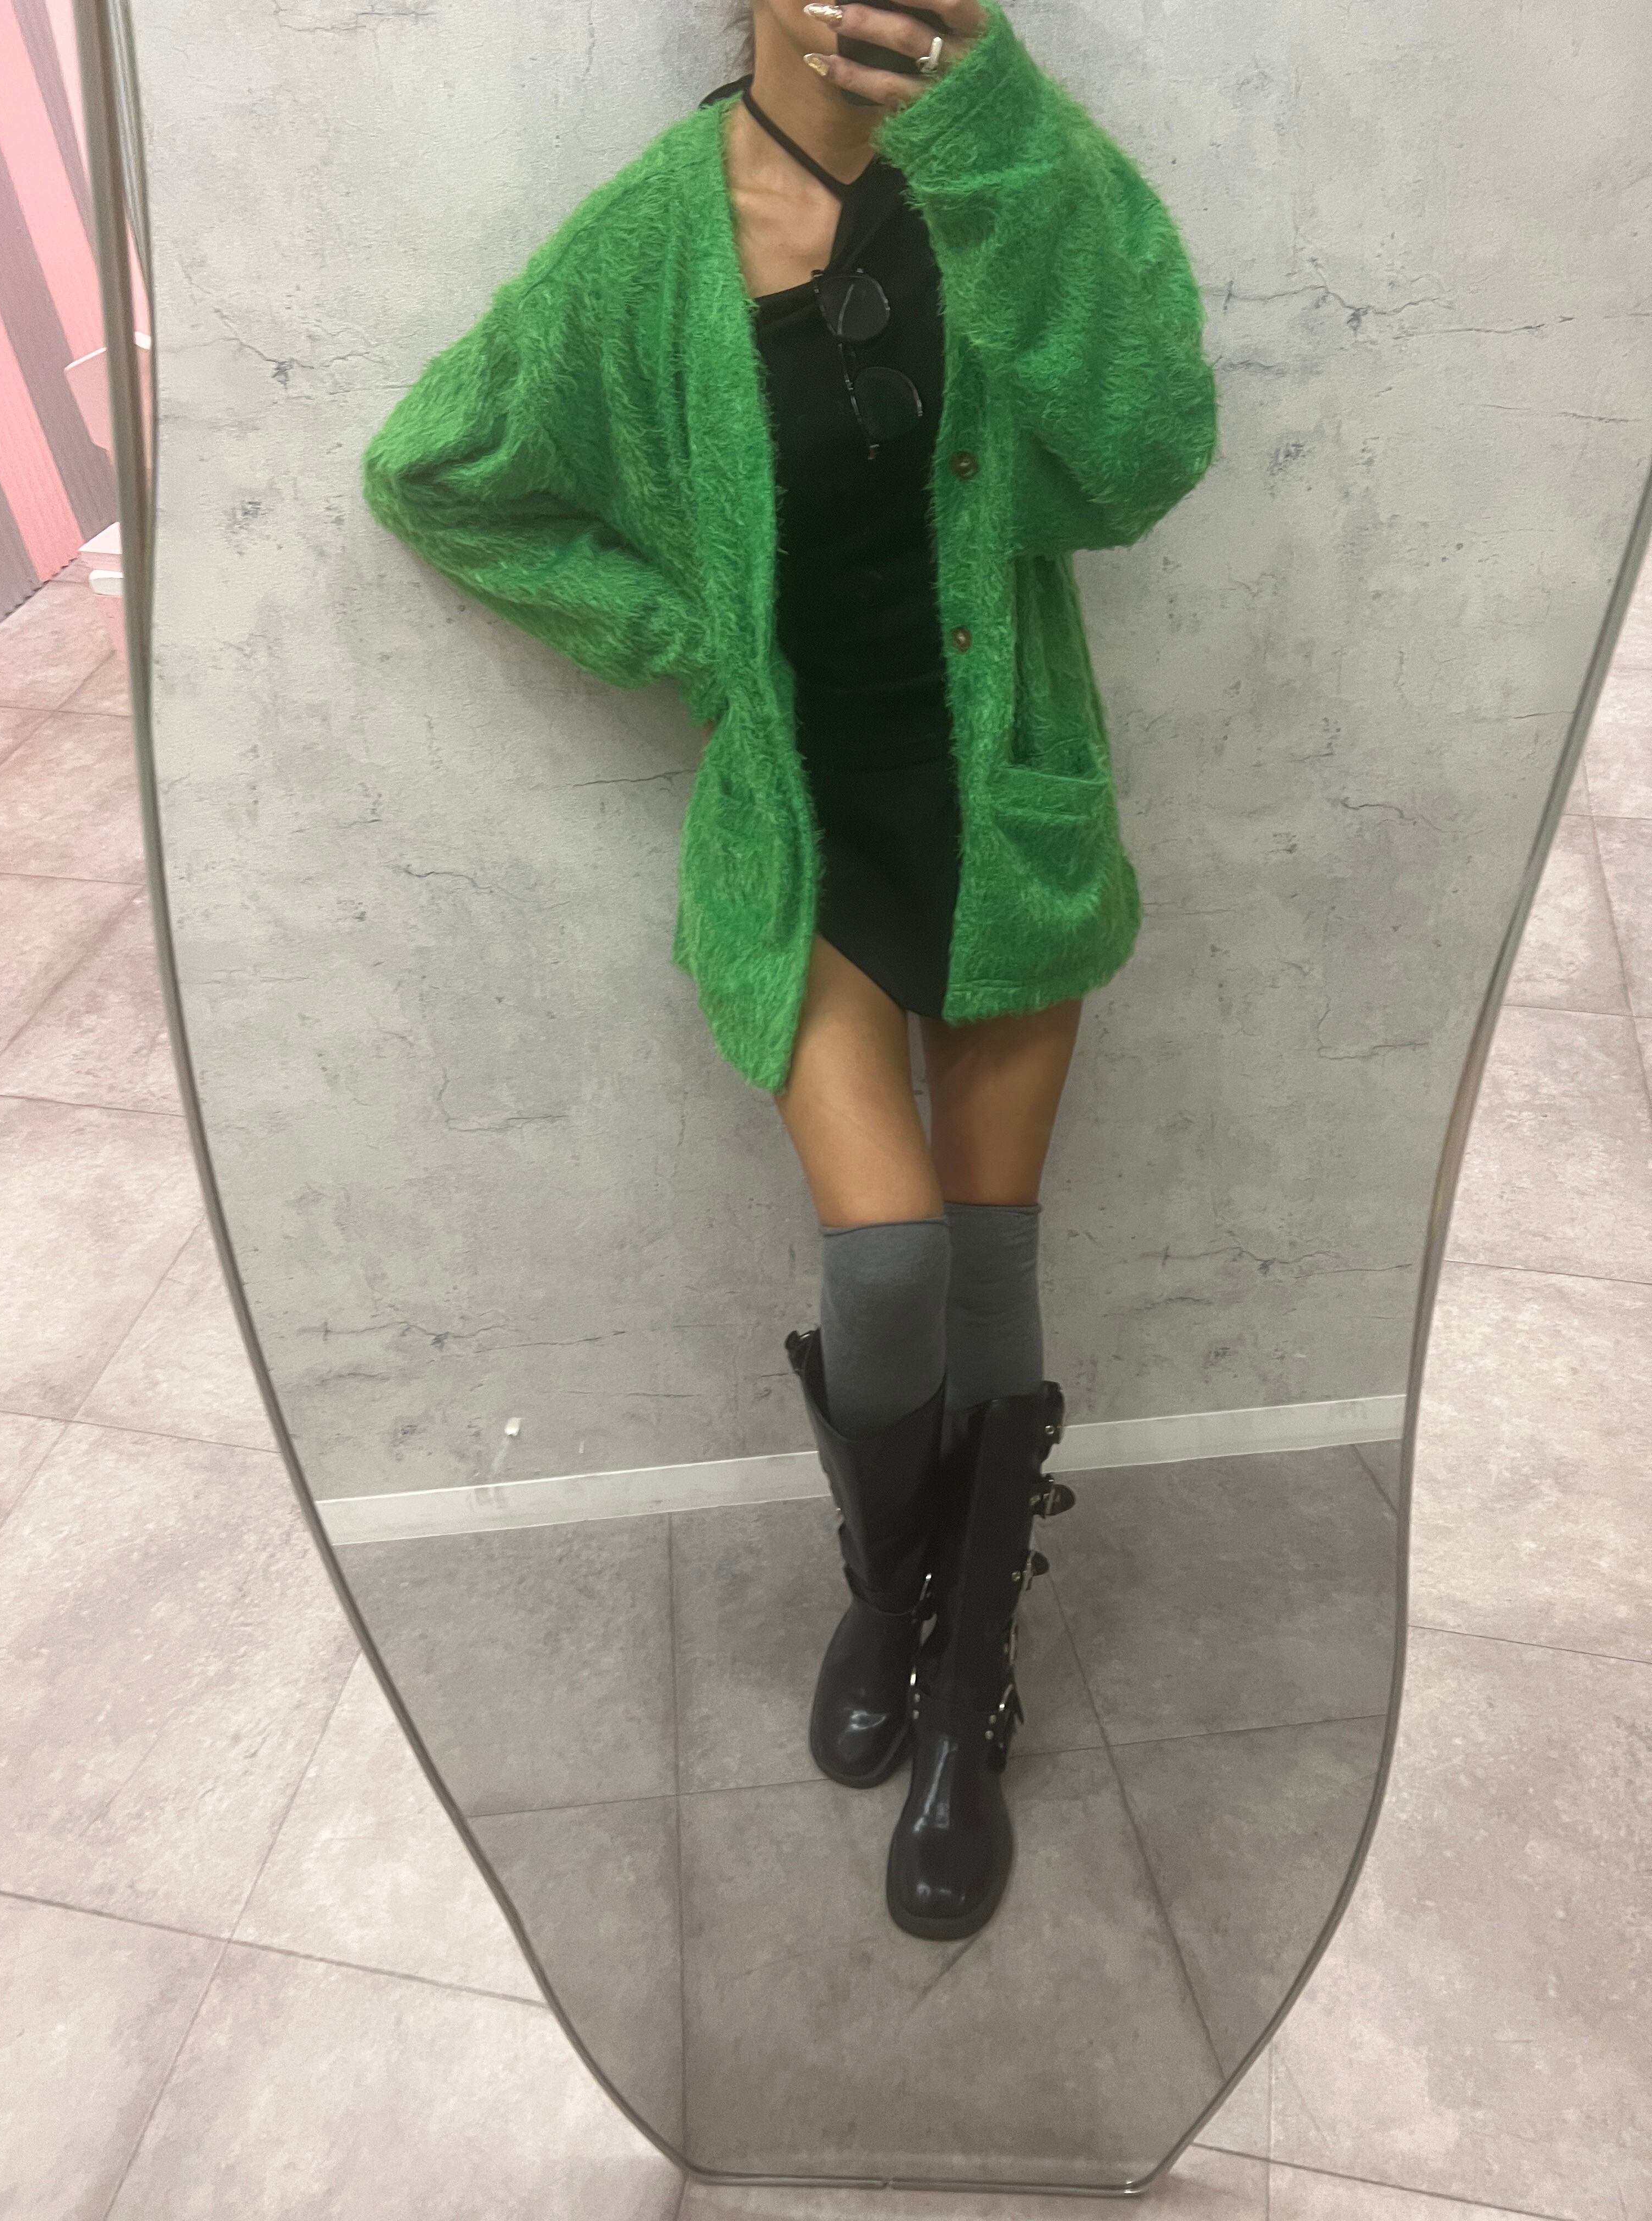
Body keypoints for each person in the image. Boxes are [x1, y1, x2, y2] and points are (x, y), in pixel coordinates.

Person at [362, 0, 1217, 1941]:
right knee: (888, 1262)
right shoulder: (650, 243)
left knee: (989, 1267)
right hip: (808, 839)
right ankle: (890, 1590)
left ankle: (963, 1696)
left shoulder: (1012, 175)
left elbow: (1148, 449)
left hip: (1003, 814)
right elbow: (435, 469)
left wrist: (991, 128)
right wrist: (689, 643)